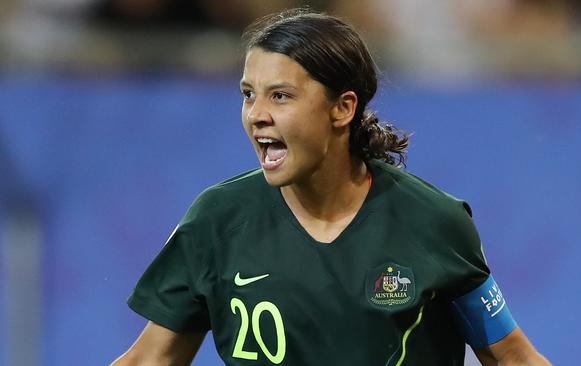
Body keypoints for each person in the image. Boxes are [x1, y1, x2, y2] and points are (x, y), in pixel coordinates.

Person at [112, 8, 551, 366]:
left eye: (280, 96)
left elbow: (514, 358)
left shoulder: (435, 222)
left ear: (342, 108)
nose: (255, 114)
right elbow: (148, 359)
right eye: (248, 94)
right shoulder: (217, 221)